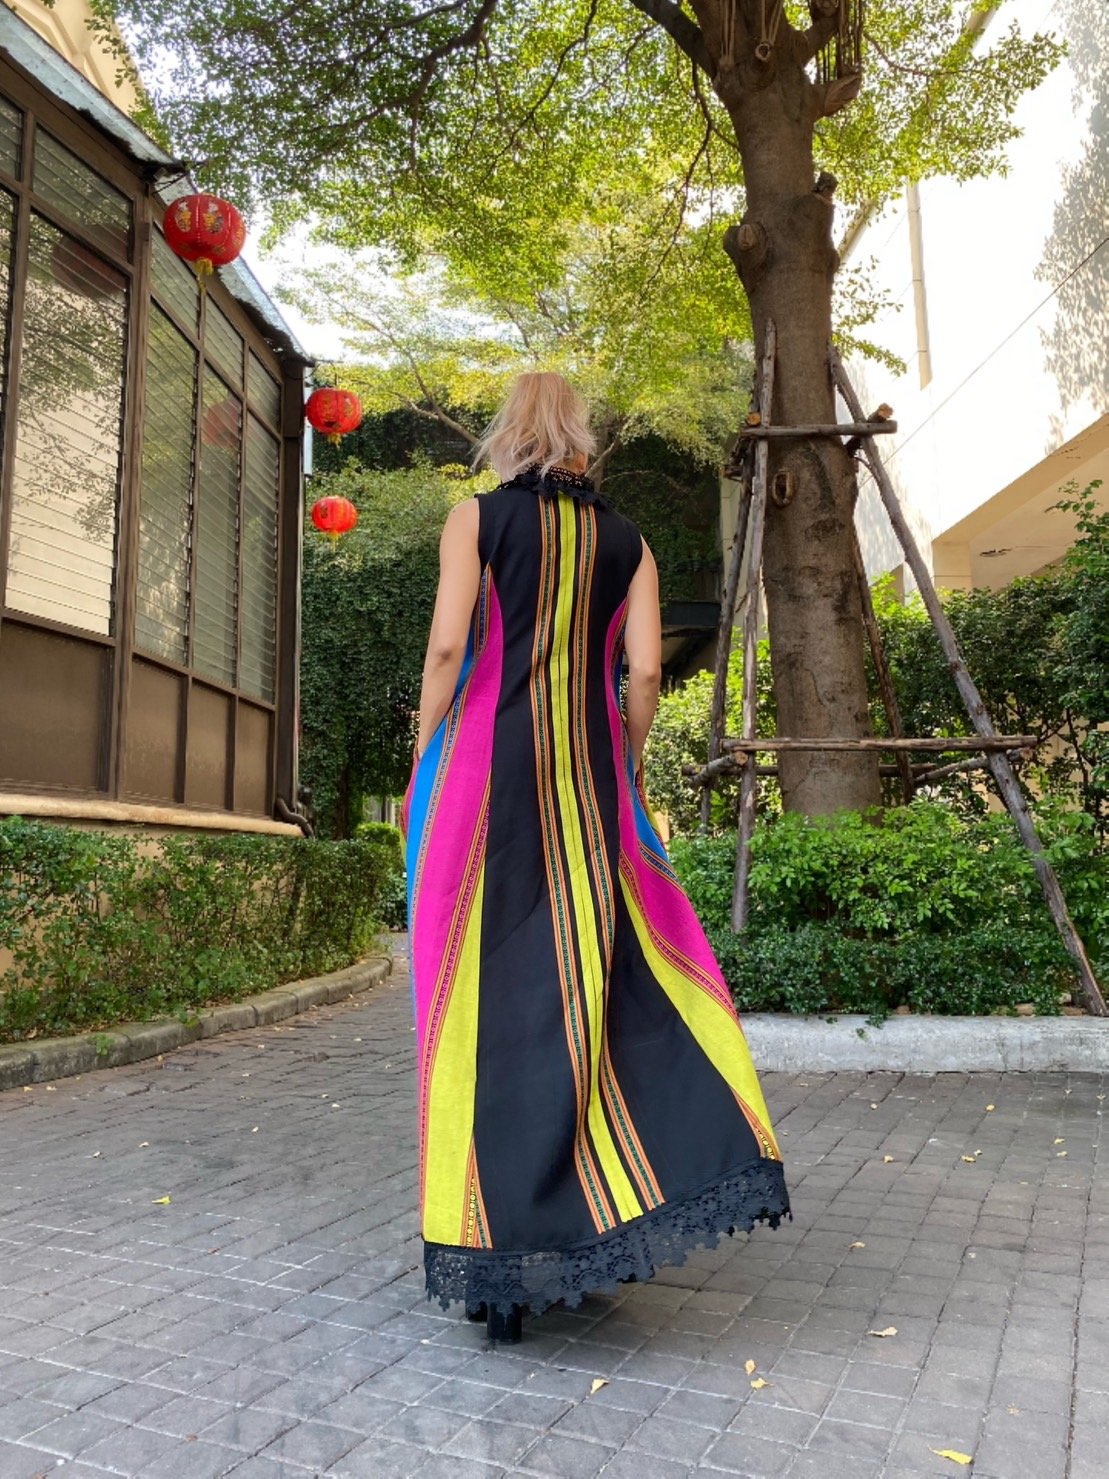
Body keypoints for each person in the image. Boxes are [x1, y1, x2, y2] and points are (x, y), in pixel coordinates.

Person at [401, 371, 789, 1344]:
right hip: (586, 790)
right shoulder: (628, 542)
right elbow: (645, 671)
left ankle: (489, 1250)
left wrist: (421, 757)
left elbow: (445, 653)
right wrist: (625, 761)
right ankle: (591, 1221)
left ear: (506, 436)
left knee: (473, 1007)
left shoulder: (475, 520)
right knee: (585, 998)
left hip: (475, 788)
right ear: (579, 438)